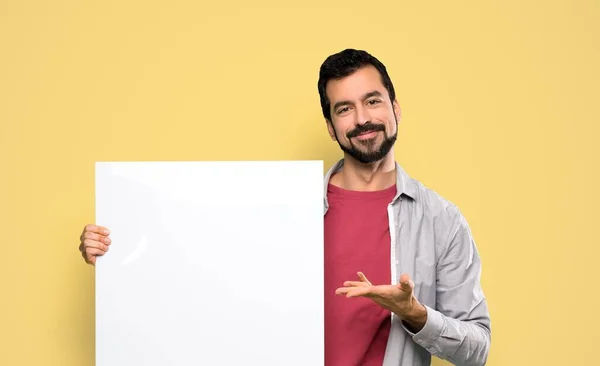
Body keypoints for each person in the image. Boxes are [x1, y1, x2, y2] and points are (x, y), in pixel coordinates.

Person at [79, 49, 491, 366]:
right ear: (331, 126)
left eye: (373, 101)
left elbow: (477, 348)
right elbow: (202, 276)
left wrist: (415, 314)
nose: (363, 118)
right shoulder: (279, 207)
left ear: (395, 109)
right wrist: (119, 256)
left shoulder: (442, 221)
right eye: (344, 109)